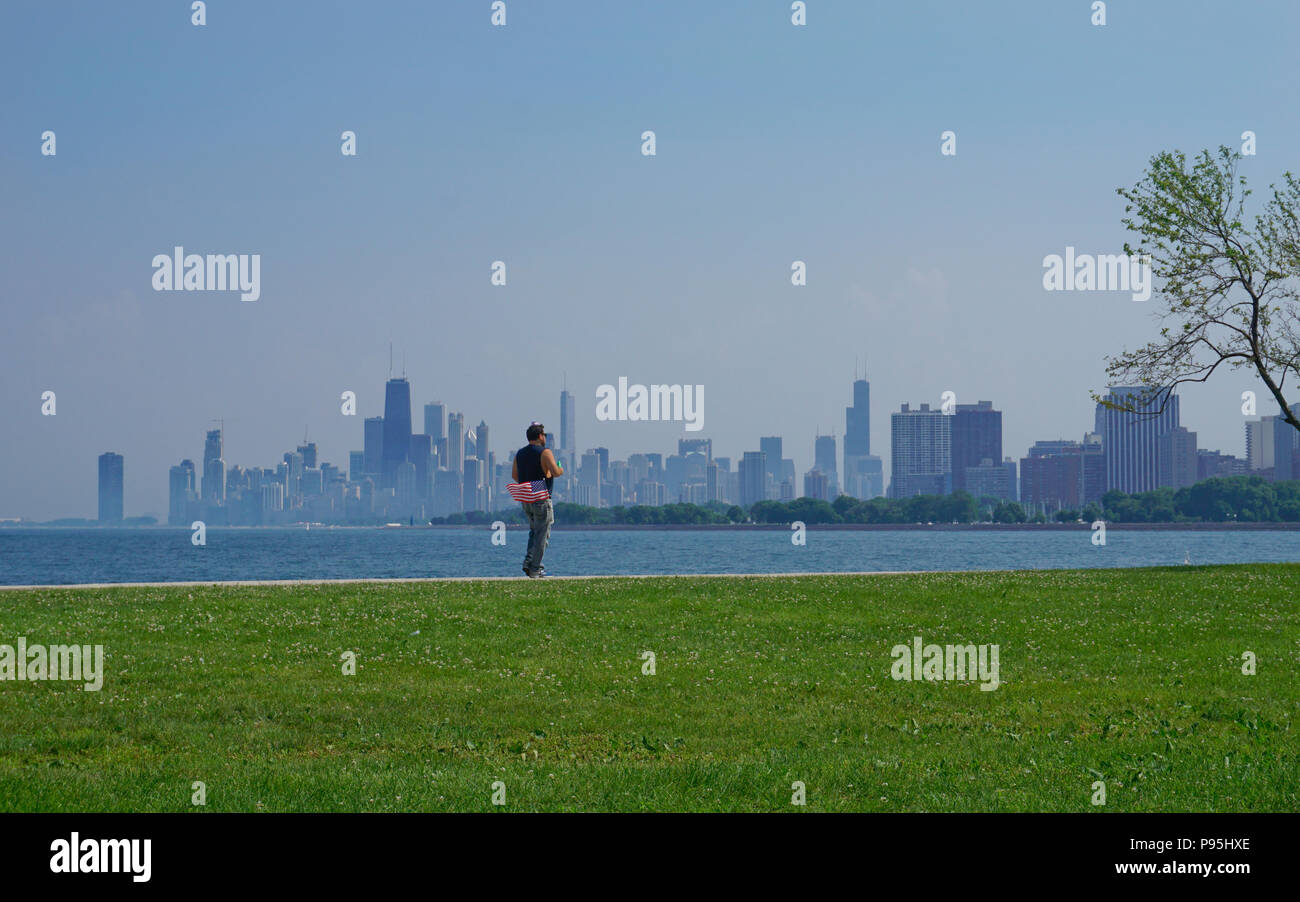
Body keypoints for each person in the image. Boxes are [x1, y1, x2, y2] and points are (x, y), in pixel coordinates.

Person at [512, 421, 563, 577]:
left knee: (534, 531)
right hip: (541, 495)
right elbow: (555, 472)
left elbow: (515, 476)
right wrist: (560, 467)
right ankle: (535, 568)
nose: (545, 438)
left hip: (525, 496)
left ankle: (529, 562)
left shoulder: (519, 453)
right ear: (540, 436)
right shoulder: (545, 452)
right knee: (542, 533)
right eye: (544, 435)